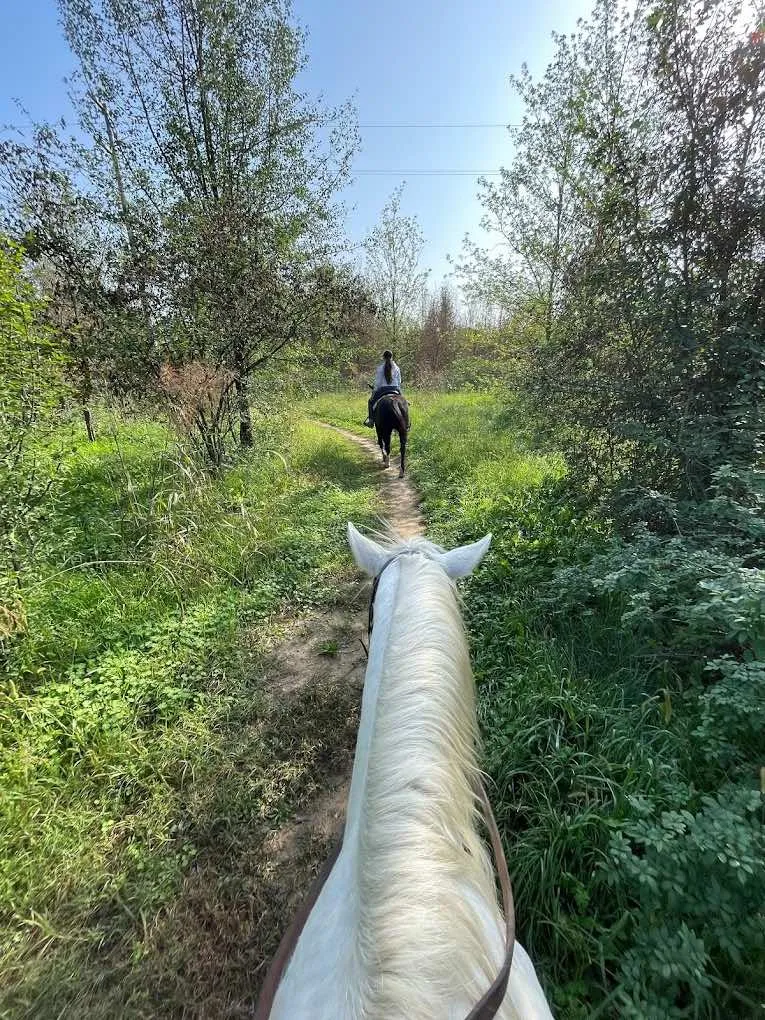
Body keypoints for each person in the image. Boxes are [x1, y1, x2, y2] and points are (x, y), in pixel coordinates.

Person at [365, 350, 402, 427]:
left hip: (383, 389)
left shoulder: (380, 368)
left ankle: (371, 420)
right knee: (403, 403)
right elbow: (399, 381)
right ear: (392, 357)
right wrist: (399, 391)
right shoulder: (397, 368)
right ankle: (406, 423)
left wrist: (374, 390)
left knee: (370, 401)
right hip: (395, 388)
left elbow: (378, 382)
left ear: (383, 357)